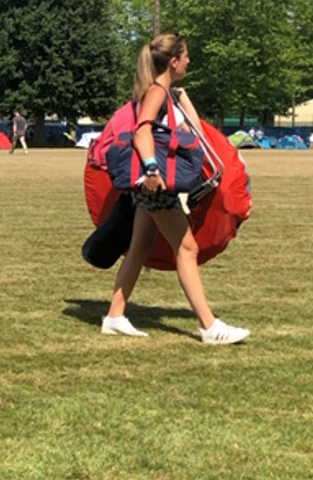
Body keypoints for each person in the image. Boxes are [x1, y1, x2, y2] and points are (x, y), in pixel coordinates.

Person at [101, 33, 249, 345]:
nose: (189, 61)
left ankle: (115, 316)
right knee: (187, 248)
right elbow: (142, 131)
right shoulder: (156, 91)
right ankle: (209, 327)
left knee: (140, 246)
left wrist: (182, 98)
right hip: (156, 184)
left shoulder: (167, 93)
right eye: (185, 56)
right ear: (173, 61)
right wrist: (152, 169)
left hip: (151, 185)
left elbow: (195, 130)